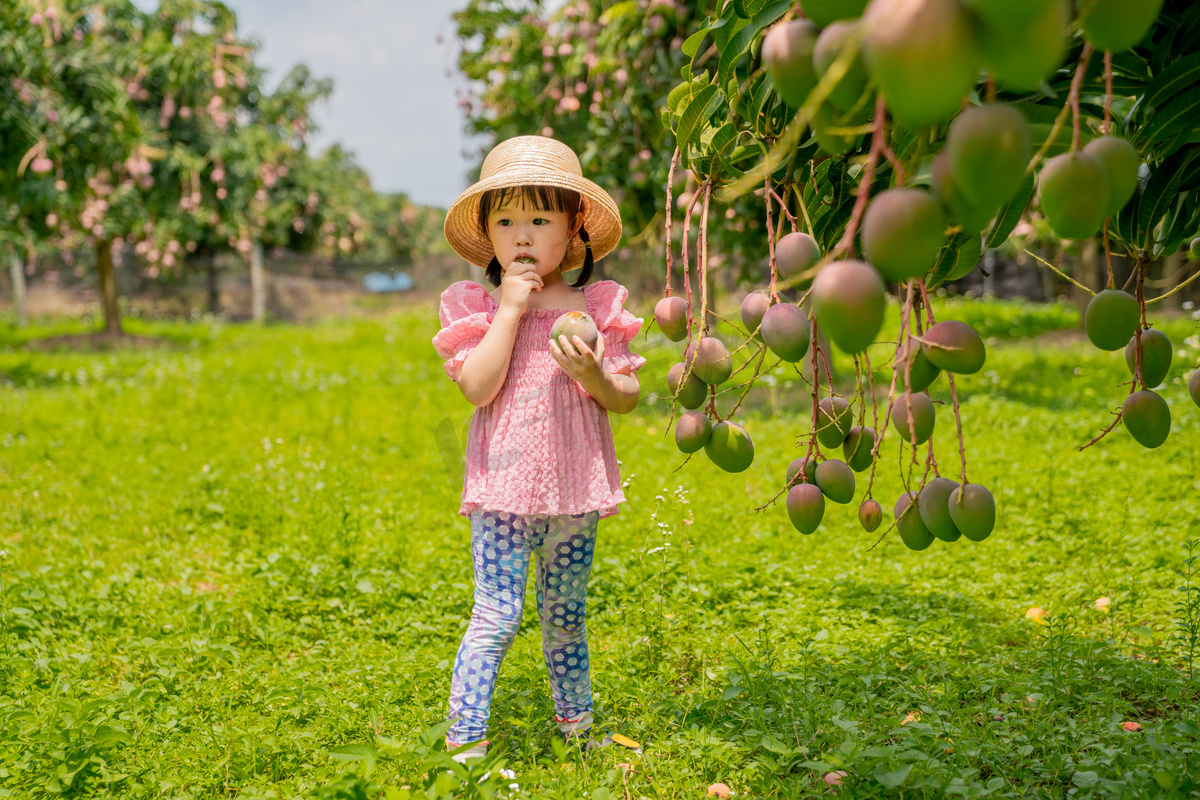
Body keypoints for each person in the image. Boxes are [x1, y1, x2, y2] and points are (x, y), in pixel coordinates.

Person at [431, 135, 646, 763]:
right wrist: (511, 310)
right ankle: (466, 737)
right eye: (506, 220)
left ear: (574, 226)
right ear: (488, 234)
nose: (521, 234)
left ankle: (576, 726)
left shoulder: (594, 308)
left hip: (574, 496)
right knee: (496, 616)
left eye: (539, 217)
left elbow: (627, 395)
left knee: (565, 617)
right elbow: (477, 387)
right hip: (503, 493)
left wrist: (594, 378)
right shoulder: (481, 306)